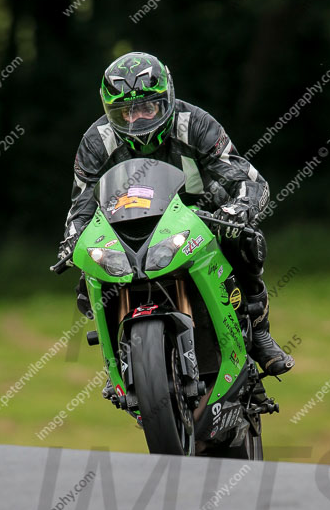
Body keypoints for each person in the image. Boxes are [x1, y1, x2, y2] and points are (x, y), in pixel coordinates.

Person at [57, 51, 293, 376]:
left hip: (201, 214)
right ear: (108, 110)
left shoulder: (195, 122)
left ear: (166, 99)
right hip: (127, 226)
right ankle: (118, 362)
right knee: (88, 276)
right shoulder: (97, 141)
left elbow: (246, 177)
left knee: (246, 240)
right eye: (125, 112)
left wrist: (239, 209)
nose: (137, 119)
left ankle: (259, 331)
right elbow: (81, 203)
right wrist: (71, 242)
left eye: (147, 107)